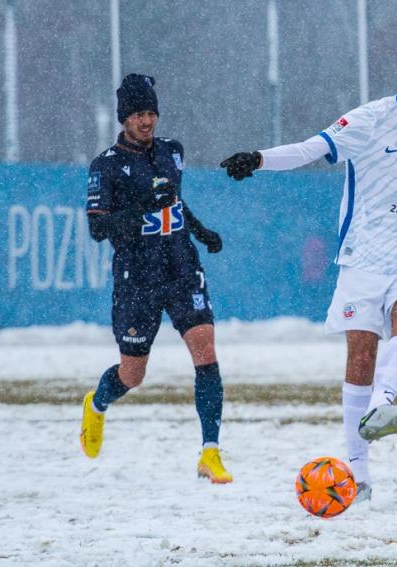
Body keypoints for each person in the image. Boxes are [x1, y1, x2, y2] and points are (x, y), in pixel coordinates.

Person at [220, 37, 397, 501]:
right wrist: (258, 159)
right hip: (364, 255)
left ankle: (382, 406)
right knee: (361, 355)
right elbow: (308, 149)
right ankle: (360, 476)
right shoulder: (371, 120)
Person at [79, 74, 232, 484]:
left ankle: (211, 452)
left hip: (182, 266)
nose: (146, 121)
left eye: (151, 113)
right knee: (133, 374)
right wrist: (143, 203)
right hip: (137, 278)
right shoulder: (106, 166)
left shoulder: (172, 152)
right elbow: (98, 228)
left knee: (206, 352)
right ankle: (97, 404)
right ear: (123, 119)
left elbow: (174, 199)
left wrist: (199, 230)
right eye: (138, 114)